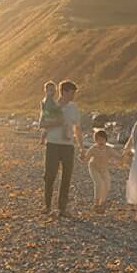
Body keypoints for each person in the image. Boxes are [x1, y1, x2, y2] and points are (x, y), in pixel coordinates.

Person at [42, 79, 82, 218]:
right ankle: (47, 206)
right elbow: (45, 122)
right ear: (64, 92)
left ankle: (62, 208)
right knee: (50, 175)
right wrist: (43, 136)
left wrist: (81, 146)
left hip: (68, 146)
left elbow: (77, 128)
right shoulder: (51, 104)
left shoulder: (73, 108)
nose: (73, 96)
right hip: (52, 144)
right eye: (72, 93)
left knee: (67, 176)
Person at [81, 127, 115, 211]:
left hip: (104, 169)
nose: (101, 141)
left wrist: (126, 153)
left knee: (107, 185)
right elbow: (85, 159)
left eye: (102, 139)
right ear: (95, 140)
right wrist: (81, 157)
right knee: (99, 183)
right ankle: (96, 204)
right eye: (98, 139)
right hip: (94, 167)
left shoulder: (108, 149)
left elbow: (118, 157)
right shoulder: (93, 148)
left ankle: (102, 202)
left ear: (106, 140)